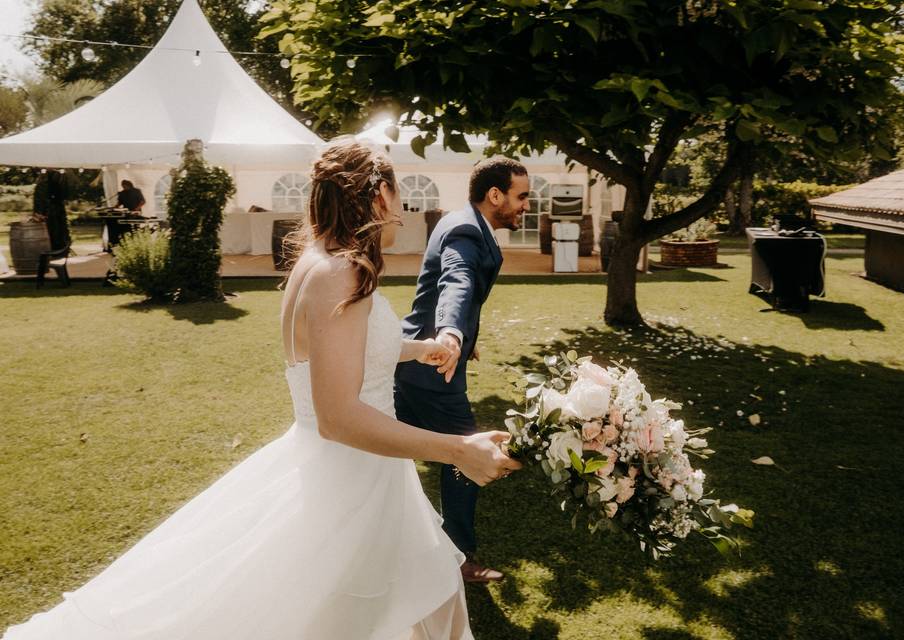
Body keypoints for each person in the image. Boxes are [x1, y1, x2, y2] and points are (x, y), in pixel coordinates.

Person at [2, 139, 520, 640]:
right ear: (376, 195)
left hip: (372, 473)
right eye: (399, 195)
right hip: (348, 478)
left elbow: (339, 350)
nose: (403, 213)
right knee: (370, 610)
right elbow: (338, 415)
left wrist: (414, 348)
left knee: (433, 602)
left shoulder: (320, 260)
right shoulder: (341, 273)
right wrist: (455, 448)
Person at [394, 157, 530, 583]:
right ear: (495, 195)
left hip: (417, 360)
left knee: (387, 451)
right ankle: (458, 558)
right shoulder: (466, 231)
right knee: (466, 457)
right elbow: (458, 281)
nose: (526, 204)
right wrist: (452, 334)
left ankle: (397, 539)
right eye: (521, 196)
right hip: (433, 367)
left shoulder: (462, 220)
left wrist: (464, 340)